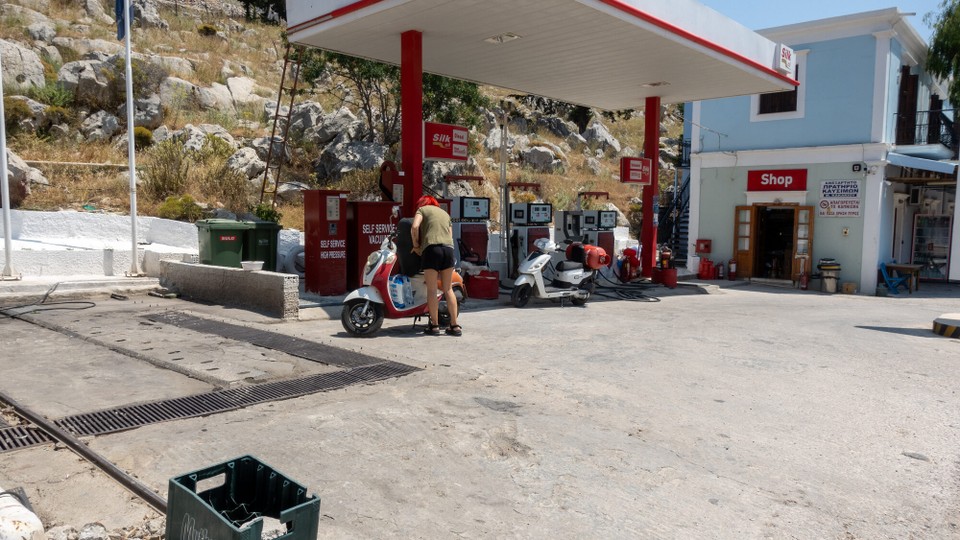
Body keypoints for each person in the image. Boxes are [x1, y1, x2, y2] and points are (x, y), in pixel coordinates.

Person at [411, 195, 460, 336]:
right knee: (448, 288)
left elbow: (414, 227)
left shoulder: (422, 210)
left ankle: (435, 326)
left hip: (431, 249)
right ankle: (454, 326)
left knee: (432, 290)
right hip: (449, 250)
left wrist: (416, 246)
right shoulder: (445, 213)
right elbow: (450, 235)